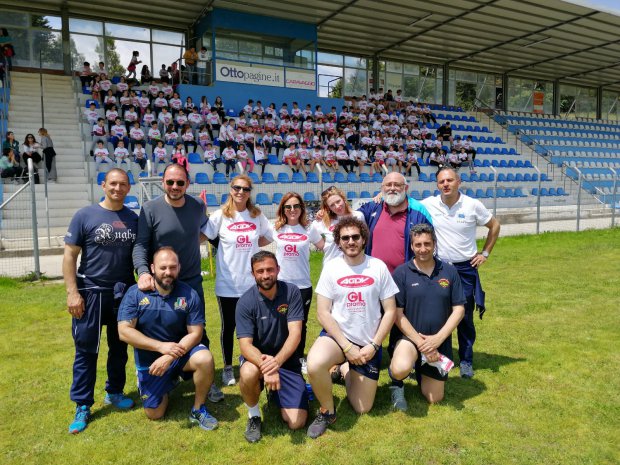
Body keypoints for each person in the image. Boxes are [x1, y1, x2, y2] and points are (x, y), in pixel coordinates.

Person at [132, 163, 225, 402]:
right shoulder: (150, 208)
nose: (175, 187)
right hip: (160, 285)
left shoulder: (197, 206)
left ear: (187, 184)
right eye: (170, 182)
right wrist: (143, 271)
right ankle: (153, 374)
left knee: (197, 333)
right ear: (163, 182)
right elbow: (141, 244)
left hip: (191, 282)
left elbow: (207, 232)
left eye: (180, 182)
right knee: (158, 331)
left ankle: (206, 380)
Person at [306, 216, 399, 439]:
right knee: (315, 363)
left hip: (368, 344)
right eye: (345, 238)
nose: (350, 242)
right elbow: (323, 313)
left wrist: (375, 345)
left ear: (363, 239)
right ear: (338, 242)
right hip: (338, 339)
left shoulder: (378, 267)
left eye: (355, 237)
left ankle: (345, 370)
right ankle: (327, 411)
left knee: (362, 408)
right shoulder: (331, 268)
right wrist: (347, 347)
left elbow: (390, 311)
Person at [63, 169, 138, 434]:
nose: (118, 188)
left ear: (129, 188)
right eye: (113, 183)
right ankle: (82, 404)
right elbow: (70, 256)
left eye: (123, 184)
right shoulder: (85, 215)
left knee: (119, 348)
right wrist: (73, 292)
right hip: (90, 292)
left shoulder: (133, 219)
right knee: (86, 350)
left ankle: (114, 392)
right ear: (103, 185)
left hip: (123, 294)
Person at [118, 247, 218, 430]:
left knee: (205, 358)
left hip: (180, 354)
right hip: (151, 362)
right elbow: (124, 331)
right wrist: (160, 347)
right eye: (163, 267)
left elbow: (196, 333)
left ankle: (198, 409)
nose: (168, 272)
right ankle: (158, 381)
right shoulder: (136, 294)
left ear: (179, 268)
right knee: (155, 414)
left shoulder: (188, 294)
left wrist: (170, 355)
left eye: (173, 267)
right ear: (152, 268)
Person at [421, 166, 500, 378]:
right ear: (437, 185)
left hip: (465, 268)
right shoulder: (429, 204)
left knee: (464, 317)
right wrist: (382, 193)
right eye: (441, 182)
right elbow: (404, 204)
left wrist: (485, 253)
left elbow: (494, 226)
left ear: (459, 182)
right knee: (436, 315)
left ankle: (466, 361)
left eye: (449, 180)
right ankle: (435, 359)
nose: (445, 184)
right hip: (439, 268)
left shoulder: (473, 205)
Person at [203, 174, 271, 387]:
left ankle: (250, 360)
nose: (241, 192)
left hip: (252, 283)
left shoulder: (257, 215)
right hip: (228, 284)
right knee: (229, 326)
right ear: (230, 189)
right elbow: (203, 236)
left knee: (255, 326)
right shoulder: (219, 216)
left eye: (245, 189)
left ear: (250, 192)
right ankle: (226, 367)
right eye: (237, 188)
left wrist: (253, 245)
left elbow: (268, 236)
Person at [388, 224, 465, 411]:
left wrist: (438, 339)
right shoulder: (401, 273)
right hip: (409, 338)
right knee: (400, 368)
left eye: (427, 244)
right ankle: (396, 383)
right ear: (412, 246)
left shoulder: (449, 271)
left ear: (434, 244)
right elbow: (398, 315)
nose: (423, 249)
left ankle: (421, 368)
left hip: (439, 342)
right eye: (418, 244)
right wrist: (422, 344)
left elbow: (459, 309)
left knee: (434, 398)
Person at [236, 251, 308, 443]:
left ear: (278, 269)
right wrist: (267, 366)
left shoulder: (291, 292)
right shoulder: (245, 302)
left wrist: (276, 363)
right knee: (248, 372)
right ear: (253, 274)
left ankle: (279, 393)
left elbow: (296, 334)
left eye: (270, 269)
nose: (265, 275)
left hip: (286, 361)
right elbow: (245, 346)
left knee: (296, 423)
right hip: (258, 361)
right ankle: (254, 416)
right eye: (260, 271)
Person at [264, 193, 324, 364]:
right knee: (280, 322)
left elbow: (324, 247)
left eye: (296, 206)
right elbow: (257, 241)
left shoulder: (309, 229)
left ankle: (299, 358)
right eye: (288, 206)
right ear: (283, 209)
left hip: (303, 285)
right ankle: (281, 356)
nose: (292, 210)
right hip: (281, 284)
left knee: (300, 324)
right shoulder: (275, 228)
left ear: (301, 208)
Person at [309, 186, 364, 264]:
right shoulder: (323, 221)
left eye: (338, 201)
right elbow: (307, 231)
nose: (337, 206)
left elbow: (364, 238)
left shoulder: (358, 216)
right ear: (328, 208)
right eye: (332, 205)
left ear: (343, 199)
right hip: (331, 267)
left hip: (355, 265)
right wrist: (323, 246)